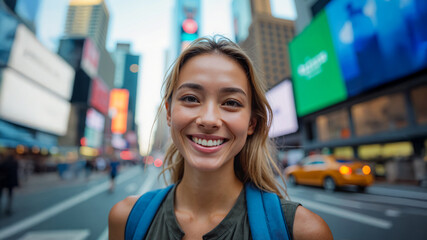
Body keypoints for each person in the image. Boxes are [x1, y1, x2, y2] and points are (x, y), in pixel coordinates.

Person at [109, 36, 333, 239]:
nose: (209, 120)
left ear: (251, 123)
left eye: (231, 103)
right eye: (190, 98)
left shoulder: (305, 231)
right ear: (168, 113)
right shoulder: (126, 218)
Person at [0, 150, 19, 216]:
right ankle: (8, 208)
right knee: (10, 195)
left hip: (3, 181)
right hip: (10, 182)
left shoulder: (4, 163)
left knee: (1, 195)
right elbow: (16, 174)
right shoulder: (15, 163)